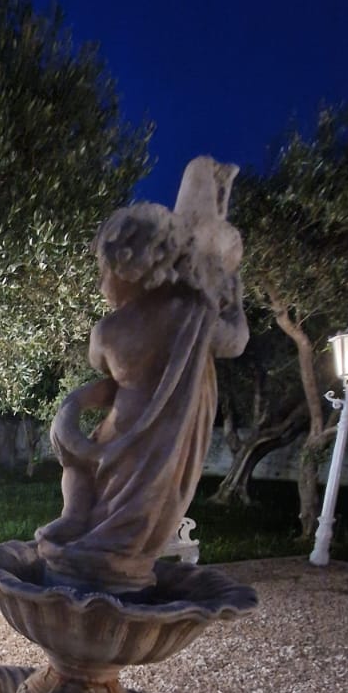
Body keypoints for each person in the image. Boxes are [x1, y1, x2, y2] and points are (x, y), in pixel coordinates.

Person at [36, 157, 249, 592]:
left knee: (83, 472)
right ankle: (86, 529)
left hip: (132, 440)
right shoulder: (194, 317)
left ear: (134, 269)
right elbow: (236, 341)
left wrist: (73, 405)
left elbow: (109, 383)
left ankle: (85, 529)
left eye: (105, 271)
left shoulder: (111, 331)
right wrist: (232, 298)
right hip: (159, 446)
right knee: (97, 480)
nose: (102, 284)